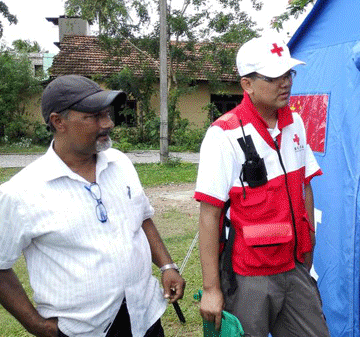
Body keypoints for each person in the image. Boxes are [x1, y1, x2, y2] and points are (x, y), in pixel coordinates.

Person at [0, 75, 186, 337]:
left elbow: (142, 218)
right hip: (82, 330)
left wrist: (167, 266)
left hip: (144, 317)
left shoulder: (120, 163)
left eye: (107, 114)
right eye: (95, 116)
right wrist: (36, 325)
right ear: (58, 121)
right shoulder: (21, 192)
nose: (108, 123)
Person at [194, 35, 330, 337]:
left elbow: (305, 185)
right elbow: (209, 215)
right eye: (273, 77)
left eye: (288, 74)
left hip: (295, 265)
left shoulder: (295, 122)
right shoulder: (224, 135)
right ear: (247, 85)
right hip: (249, 275)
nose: (285, 83)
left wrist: (309, 239)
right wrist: (211, 289)